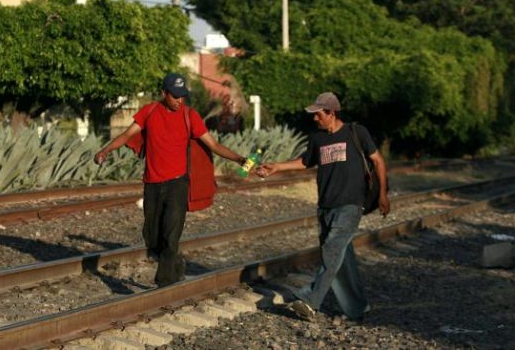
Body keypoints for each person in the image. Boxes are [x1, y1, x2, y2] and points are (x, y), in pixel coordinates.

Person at [94, 73, 250, 287]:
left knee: (171, 233)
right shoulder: (149, 112)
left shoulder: (190, 116)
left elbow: (213, 145)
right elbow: (127, 135)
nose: (179, 100)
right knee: (152, 237)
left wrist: (241, 159)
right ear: (164, 93)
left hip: (178, 183)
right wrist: (106, 150)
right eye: (175, 96)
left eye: (183, 96)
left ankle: (164, 283)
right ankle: (176, 264)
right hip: (152, 183)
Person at [256, 92, 389, 322]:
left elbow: (378, 160)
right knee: (340, 257)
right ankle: (358, 308)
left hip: (351, 204)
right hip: (325, 206)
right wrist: (277, 166)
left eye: (318, 115)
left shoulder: (356, 132)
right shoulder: (317, 138)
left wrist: (383, 195)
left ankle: (310, 300)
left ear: (331, 113)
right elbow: (305, 161)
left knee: (332, 249)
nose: (315, 119)